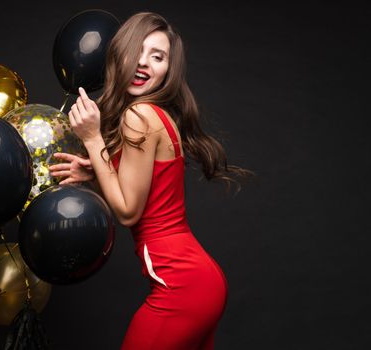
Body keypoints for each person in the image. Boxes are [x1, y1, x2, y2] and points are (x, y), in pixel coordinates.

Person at [49, 12, 252, 349]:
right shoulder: (157, 114)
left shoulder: (139, 115)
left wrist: (93, 138)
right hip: (199, 280)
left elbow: (129, 211)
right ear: (118, 55)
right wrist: (97, 172)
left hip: (182, 285)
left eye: (157, 56)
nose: (143, 63)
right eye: (137, 51)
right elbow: (149, 192)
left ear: (169, 71)